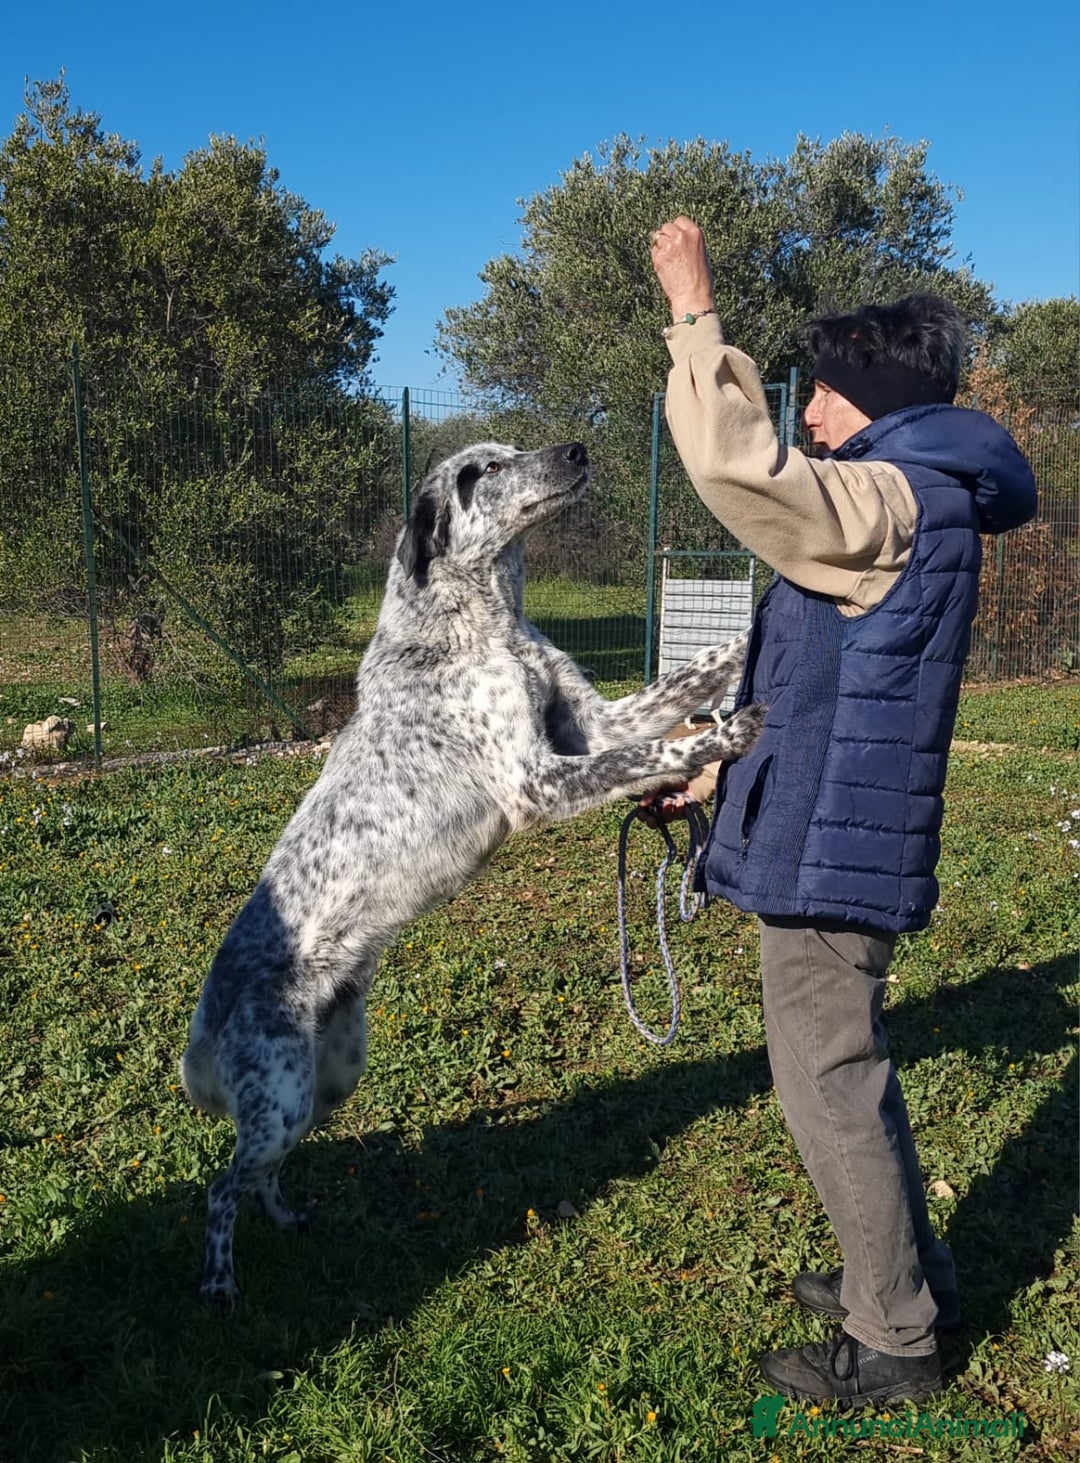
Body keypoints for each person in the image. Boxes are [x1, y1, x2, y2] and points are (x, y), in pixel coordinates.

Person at [647, 215, 1038, 1408]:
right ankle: (908, 1276)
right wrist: (720, 771)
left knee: (830, 1084)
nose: (804, 414)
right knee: (847, 1073)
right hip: (824, 821)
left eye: (817, 392)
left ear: (867, 398)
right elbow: (822, 690)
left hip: (831, 857)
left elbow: (735, 469)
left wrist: (694, 311)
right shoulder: (907, 496)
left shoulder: (893, 498)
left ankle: (897, 1341)